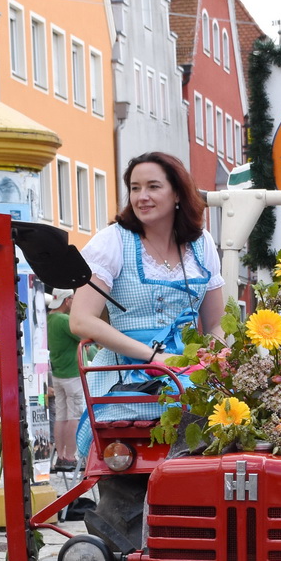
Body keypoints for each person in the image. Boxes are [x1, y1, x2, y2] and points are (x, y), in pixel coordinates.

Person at [69, 151, 225, 439]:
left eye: (153, 186)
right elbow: (80, 320)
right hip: (126, 374)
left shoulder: (201, 244)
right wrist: (154, 357)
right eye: (135, 188)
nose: (142, 197)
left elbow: (217, 324)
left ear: (177, 193)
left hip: (187, 372)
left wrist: (211, 359)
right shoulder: (113, 241)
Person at [47, 293, 83, 472]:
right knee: (74, 415)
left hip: (58, 373)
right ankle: (70, 456)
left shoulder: (50, 318)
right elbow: (84, 335)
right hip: (72, 373)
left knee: (61, 416)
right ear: (67, 300)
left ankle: (60, 456)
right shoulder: (64, 319)